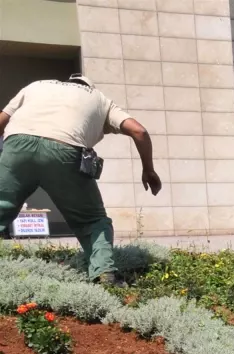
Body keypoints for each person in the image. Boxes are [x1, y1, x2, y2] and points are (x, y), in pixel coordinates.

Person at [0, 75, 161, 285]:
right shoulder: (99, 99)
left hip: (16, 147)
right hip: (65, 150)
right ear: (89, 87)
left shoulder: (36, 86)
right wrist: (148, 170)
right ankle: (105, 274)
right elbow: (139, 131)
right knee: (92, 220)